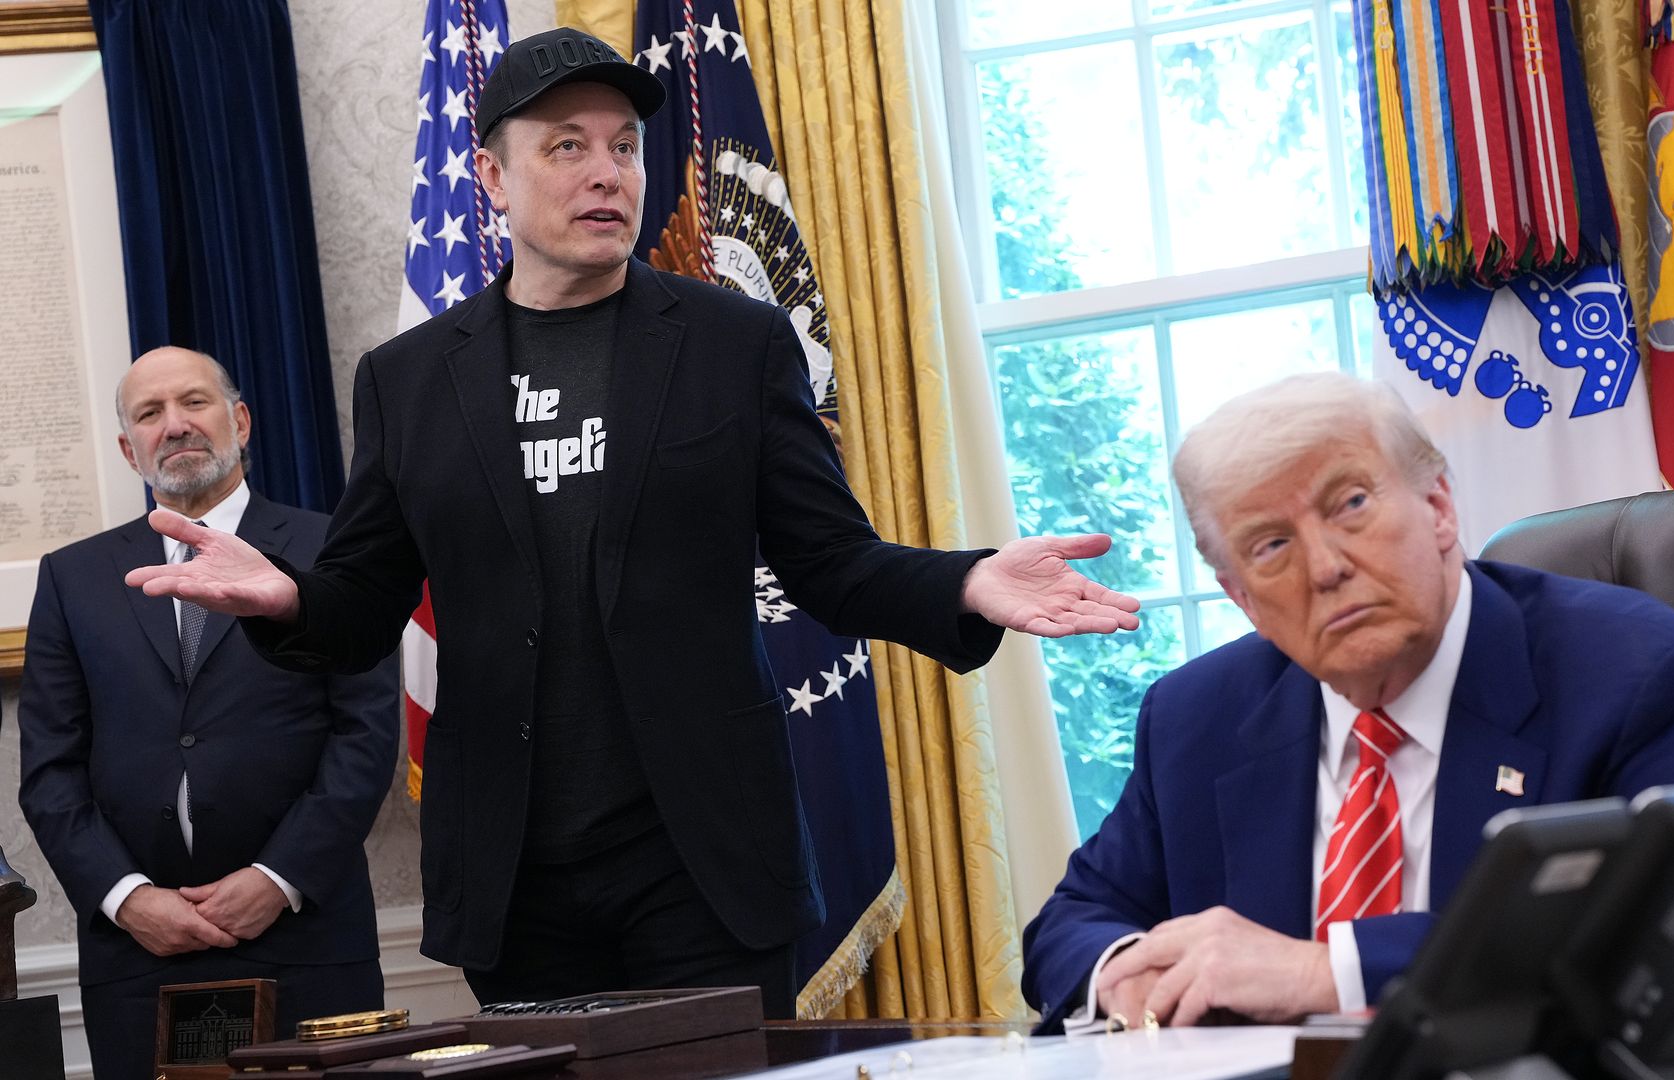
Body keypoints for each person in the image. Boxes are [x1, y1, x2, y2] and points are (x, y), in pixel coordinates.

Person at [124, 27, 1140, 1016]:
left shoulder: (732, 344)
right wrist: (286, 596)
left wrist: (964, 582)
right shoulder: (412, 380)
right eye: (566, 146)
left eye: (623, 146)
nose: (604, 171)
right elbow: (360, 606)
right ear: (492, 178)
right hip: (517, 876)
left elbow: (830, 563)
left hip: (703, 859)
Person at [1021, 373, 1674, 1033]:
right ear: (1241, 599)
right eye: (1271, 546)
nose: (1327, 566)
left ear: (1438, 507)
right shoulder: (1195, 718)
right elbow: (1073, 922)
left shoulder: (1634, 675)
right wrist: (1125, 972)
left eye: (1351, 505)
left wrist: (1328, 971)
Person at [18, 348, 399, 1080]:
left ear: (241, 421)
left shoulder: (334, 554)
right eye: (150, 414)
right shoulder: (72, 578)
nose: (176, 426)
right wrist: (127, 901)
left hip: (305, 934)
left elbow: (366, 735)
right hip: (138, 954)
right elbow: (51, 770)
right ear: (130, 448)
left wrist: (276, 878)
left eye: (194, 402)